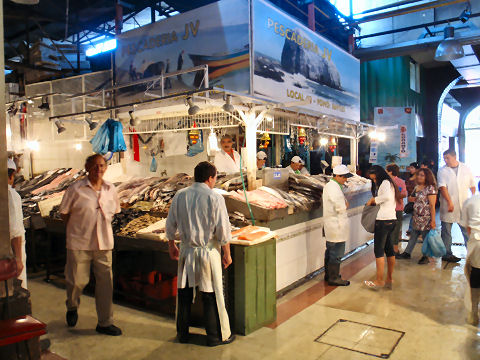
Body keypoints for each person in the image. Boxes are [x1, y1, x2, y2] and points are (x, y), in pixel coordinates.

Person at [166, 161, 235, 346]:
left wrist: (171, 244)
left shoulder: (180, 196)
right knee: (210, 294)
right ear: (210, 178)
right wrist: (227, 254)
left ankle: (183, 334)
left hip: (187, 251)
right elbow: (223, 230)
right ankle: (214, 336)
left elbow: (170, 224)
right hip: (208, 252)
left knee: (184, 293)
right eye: (214, 178)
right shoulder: (214, 198)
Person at [59, 154, 122, 336]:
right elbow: (64, 213)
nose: (98, 169)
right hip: (79, 242)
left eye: (102, 166)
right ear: (87, 167)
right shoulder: (75, 189)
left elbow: (115, 211)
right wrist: (77, 228)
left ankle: (105, 322)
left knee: (105, 284)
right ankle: (72, 306)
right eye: (94, 166)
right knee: (77, 281)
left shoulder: (111, 189)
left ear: (106, 167)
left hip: (104, 244)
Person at [364, 165, 400, 290]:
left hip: (383, 220)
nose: (374, 181)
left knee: (379, 251)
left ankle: (379, 280)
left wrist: (373, 200)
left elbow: (386, 197)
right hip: (391, 219)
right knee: (389, 249)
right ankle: (389, 277)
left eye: (374, 179)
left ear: (379, 175)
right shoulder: (389, 182)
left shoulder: (385, 182)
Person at [438, 149, 476, 263]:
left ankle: (472, 253)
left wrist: (473, 198)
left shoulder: (466, 168)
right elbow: (442, 187)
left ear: (454, 157)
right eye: (444, 158)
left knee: (466, 231)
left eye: (447, 158)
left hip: (463, 206)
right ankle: (447, 254)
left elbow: (472, 185)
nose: (445, 160)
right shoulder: (442, 170)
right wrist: (449, 202)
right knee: (446, 232)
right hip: (448, 206)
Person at [397, 168, 437, 264]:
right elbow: (412, 198)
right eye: (418, 175)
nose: (419, 177)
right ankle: (407, 253)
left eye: (422, 175)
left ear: (427, 177)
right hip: (416, 216)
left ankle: (426, 256)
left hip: (425, 217)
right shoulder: (417, 187)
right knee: (413, 235)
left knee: (425, 237)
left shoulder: (430, 188)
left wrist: (433, 220)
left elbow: (432, 205)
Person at [323, 164, 353, 286]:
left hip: (333, 225)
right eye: (344, 177)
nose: (346, 179)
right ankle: (334, 278)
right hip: (336, 225)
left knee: (330, 251)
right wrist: (345, 205)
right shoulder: (333, 188)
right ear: (338, 176)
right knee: (336, 252)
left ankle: (329, 275)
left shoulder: (333, 186)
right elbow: (341, 207)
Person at [462, 182, 480, 325]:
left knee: (475, 276)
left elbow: (467, 227)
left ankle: (474, 312)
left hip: (476, 244)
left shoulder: (470, 201)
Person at [8, 160, 26, 289]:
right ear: (11, 176)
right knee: (18, 285)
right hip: (12, 251)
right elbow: (15, 231)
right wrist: (18, 259)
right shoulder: (11, 195)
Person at [386, 164, 407, 257]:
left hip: (391, 209)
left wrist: (393, 195)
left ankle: (393, 249)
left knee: (391, 230)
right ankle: (394, 249)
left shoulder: (387, 182)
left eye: (386, 170)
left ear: (390, 171)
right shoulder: (401, 181)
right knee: (396, 229)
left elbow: (403, 194)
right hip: (397, 209)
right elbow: (404, 194)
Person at [405, 162, 419, 236]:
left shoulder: (419, 178)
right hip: (410, 199)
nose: (410, 169)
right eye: (410, 167)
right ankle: (412, 229)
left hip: (417, 199)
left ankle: (411, 229)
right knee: (413, 214)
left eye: (412, 168)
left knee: (415, 214)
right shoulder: (409, 178)